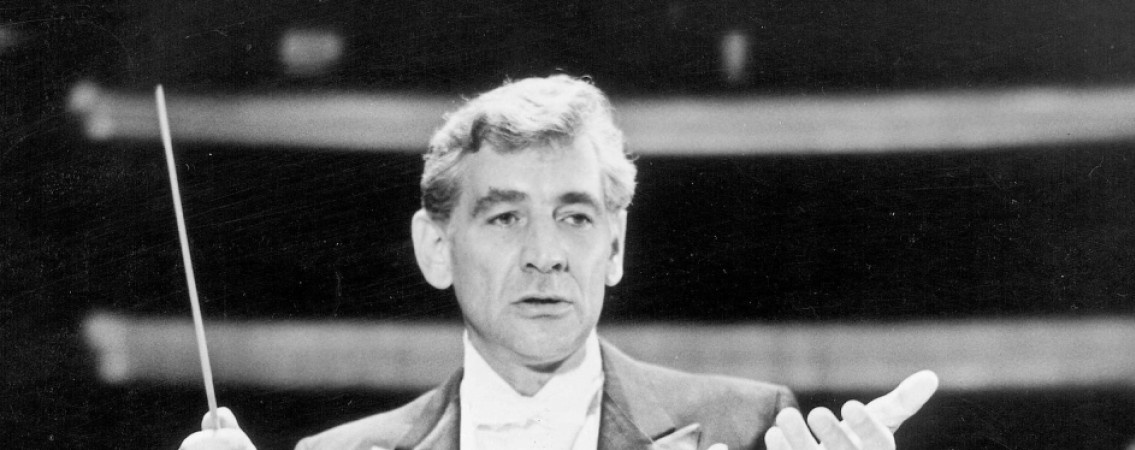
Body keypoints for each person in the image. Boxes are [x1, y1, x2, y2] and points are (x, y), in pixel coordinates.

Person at [180, 74, 938, 450]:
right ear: (435, 248)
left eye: (575, 217)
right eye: (505, 216)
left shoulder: (748, 429)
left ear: (615, 245)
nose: (545, 255)